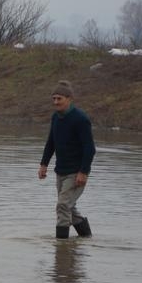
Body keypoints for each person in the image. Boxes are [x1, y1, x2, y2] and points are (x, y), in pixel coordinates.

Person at [38, 80, 96, 239]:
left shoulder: (80, 119)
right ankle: (86, 238)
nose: (56, 102)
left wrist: (83, 172)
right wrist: (44, 164)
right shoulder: (56, 118)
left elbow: (90, 148)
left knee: (62, 205)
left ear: (69, 99)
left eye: (59, 99)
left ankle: (61, 248)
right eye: (54, 99)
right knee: (68, 208)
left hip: (76, 173)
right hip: (61, 172)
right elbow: (51, 142)